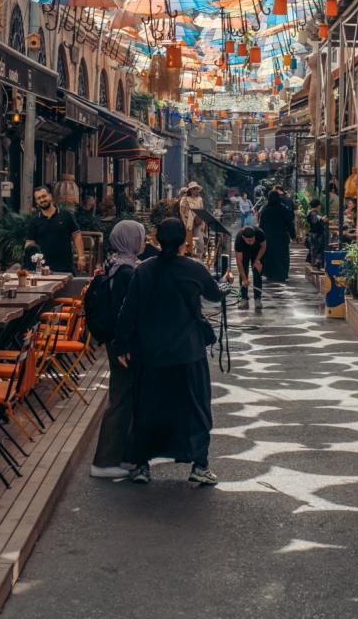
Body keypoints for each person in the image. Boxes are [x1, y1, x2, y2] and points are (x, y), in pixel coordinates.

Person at [113, 217, 221, 487]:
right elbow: (215, 295)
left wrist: (122, 344)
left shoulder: (144, 270)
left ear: (156, 240)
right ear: (184, 240)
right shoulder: (194, 269)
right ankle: (199, 465)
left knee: (148, 407)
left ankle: (141, 466)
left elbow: (129, 310)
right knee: (195, 408)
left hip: (151, 352)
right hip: (188, 352)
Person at [91, 220, 147, 480]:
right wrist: (126, 345)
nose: (143, 241)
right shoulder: (126, 272)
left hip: (117, 343)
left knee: (126, 397)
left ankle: (123, 455)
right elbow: (126, 313)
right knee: (121, 399)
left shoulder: (116, 265)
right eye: (140, 236)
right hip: (121, 346)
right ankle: (104, 461)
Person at [24, 185, 85, 274]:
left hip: (65, 266)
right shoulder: (34, 221)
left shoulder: (66, 215)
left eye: (44, 196)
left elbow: (76, 235)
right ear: (36, 202)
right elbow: (30, 243)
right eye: (38, 198)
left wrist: (81, 257)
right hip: (43, 269)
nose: (42, 200)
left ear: (50, 196)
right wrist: (27, 262)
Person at [259, 190, 296, 283]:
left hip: (268, 238)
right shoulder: (283, 209)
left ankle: (269, 274)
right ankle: (281, 274)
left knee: (269, 256)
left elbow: (261, 225)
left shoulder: (265, 210)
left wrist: (260, 238)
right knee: (282, 257)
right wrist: (293, 236)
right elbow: (290, 223)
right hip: (281, 238)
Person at [234, 224, 267, 310]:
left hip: (257, 251)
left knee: (257, 272)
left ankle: (258, 299)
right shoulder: (239, 240)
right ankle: (244, 299)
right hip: (244, 252)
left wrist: (257, 260)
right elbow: (239, 262)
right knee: (243, 273)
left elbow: (263, 247)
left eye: (253, 240)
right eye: (249, 241)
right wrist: (245, 279)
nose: (251, 242)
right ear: (244, 238)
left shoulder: (259, 233)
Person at [180, 181, 205, 256]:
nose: (196, 190)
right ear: (190, 190)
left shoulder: (200, 199)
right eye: (194, 188)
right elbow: (182, 212)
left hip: (197, 221)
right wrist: (184, 222)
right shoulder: (185, 199)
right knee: (188, 242)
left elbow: (202, 212)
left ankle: (200, 259)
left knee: (200, 242)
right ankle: (189, 257)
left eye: (197, 188)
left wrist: (203, 224)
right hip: (188, 222)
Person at [306, 198, 326, 269]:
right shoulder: (312, 213)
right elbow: (316, 220)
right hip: (316, 234)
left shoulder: (310, 212)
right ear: (318, 206)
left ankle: (315, 263)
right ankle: (316, 264)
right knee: (317, 249)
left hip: (314, 234)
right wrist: (321, 219)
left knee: (316, 249)